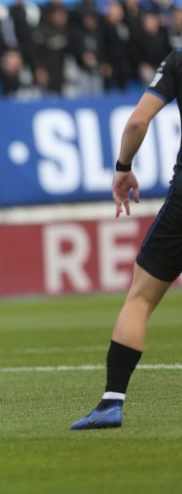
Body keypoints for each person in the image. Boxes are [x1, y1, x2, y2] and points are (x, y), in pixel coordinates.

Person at [70, 47, 182, 430]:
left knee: (141, 298)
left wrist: (123, 168)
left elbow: (138, 122)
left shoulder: (179, 59)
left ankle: (111, 402)